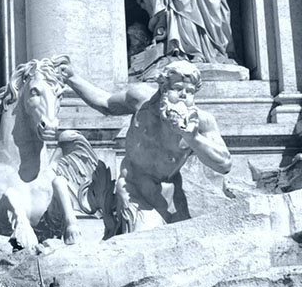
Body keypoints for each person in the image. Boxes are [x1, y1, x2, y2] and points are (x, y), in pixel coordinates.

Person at [62, 60, 231, 230]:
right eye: (178, 89)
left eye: (190, 92)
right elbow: (106, 103)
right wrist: (72, 77)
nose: (184, 96)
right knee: (147, 235)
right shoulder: (140, 100)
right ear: (163, 87)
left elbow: (224, 164)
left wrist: (193, 137)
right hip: (133, 189)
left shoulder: (201, 122)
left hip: (171, 196)